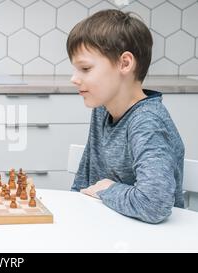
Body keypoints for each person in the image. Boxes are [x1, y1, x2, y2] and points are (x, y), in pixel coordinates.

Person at [67, 9, 184, 224]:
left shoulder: (147, 122)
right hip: (108, 226)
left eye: (85, 68)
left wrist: (108, 188)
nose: (74, 78)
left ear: (125, 64)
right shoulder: (102, 108)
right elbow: (86, 182)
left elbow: (155, 204)